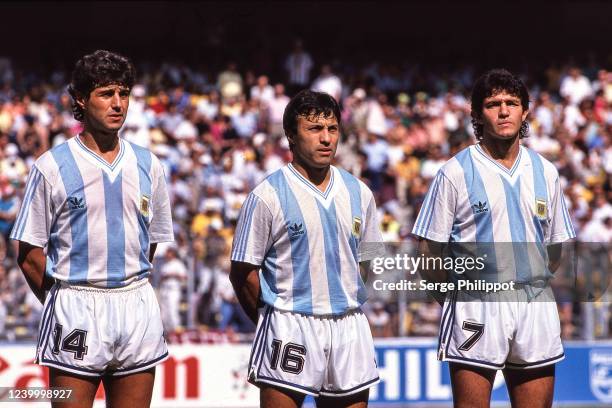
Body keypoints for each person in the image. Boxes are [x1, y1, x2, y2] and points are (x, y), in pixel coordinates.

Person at [10, 50, 174, 408]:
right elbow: (27, 251)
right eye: (106, 93)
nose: (118, 103)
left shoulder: (150, 165)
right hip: (76, 305)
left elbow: (149, 243)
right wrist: (61, 300)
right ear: (81, 100)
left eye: (124, 93)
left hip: (136, 305)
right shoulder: (51, 166)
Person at [412, 69, 575, 408]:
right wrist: (457, 298)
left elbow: (556, 249)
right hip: (476, 305)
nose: (503, 111)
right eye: (493, 104)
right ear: (477, 115)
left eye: (512, 103)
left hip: (534, 305)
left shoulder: (546, 171)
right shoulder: (454, 172)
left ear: (525, 111)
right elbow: (429, 254)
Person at [230, 90, 385, 408]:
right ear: (291, 135)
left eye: (332, 129)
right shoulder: (267, 195)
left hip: (348, 325)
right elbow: (243, 272)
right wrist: (269, 319)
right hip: (289, 324)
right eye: (314, 129)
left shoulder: (360, 193)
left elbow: (369, 261)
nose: (326, 138)